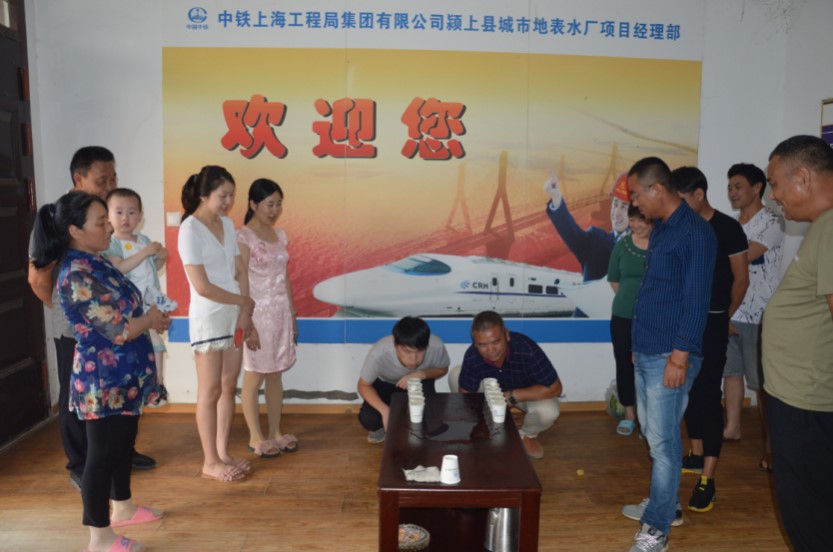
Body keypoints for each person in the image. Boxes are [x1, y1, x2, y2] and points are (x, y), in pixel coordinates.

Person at [31, 192, 168, 552]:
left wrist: (152, 316)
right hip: (102, 380)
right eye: (101, 221)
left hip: (123, 375)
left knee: (122, 445)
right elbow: (118, 330)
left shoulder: (97, 261)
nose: (109, 226)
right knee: (100, 456)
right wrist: (149, 319)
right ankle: (99, 537)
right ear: (75, 231)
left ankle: (123, 507)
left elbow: (127, 309)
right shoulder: (76, 274)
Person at [26, 147, 155, 492]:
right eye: (102, 180)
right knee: (78, 400)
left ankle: (120, 456)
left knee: (116, 398)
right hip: (79, 329)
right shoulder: (61, 219)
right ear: (78, 178)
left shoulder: (101, 220)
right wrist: (73, 314)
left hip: (110, 324)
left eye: (113, 178)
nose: (110, 185)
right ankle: (81, 465)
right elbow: (38, 279)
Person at [620, 157, 716, 552]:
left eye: (635, 194)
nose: (634, 202)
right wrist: (636, 345)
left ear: (656, 189)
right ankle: (666, 502)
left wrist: (679, 357)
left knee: (663, 444)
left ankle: (657, 529)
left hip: (670, 354)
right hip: (648, 347)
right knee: (655, 435)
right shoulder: (662, 228)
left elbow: (696, 300)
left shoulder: (695, 233)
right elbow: (652, 291)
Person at [761, 135, 833, 551]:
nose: (774, 196)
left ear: (803, 177)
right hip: (801, 398)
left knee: (809, 515)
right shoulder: (824, 227)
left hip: (808, 404)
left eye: (775, 184)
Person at [675, 167, 749, 513]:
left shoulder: (727, 228)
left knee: (707, 394)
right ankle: (696, 453)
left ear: (699, 194)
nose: (677, 206)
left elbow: (741, 280)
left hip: (714, 323)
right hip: (684, 324)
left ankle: (708, 479)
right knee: (687, 391)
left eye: (682, 199)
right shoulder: (679, 228)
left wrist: (725, 316)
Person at [178, 165, 254, 482]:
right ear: (204, 195)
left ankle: (222, 453)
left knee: (228, 386)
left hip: (234, 312)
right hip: (209, 317)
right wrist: (243, 302)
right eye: (223, 195)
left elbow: (240, 270)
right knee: (209, 390)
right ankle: (209, 462)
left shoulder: (226, 223)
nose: (228, 201)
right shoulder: (189, 229)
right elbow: (203, 287)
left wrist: (245, 310)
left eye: (232, 195)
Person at [722, 163, 783, 472]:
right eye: (729, 187)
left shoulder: (772, 222)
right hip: (733, 309)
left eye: (738, 186)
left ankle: (771, 448)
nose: (732, 192)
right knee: (731, 373)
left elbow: (744, 257)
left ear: (757, 188)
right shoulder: (733, 225)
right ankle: (731, 428)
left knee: (761, 385)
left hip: (760, 315)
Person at [237, 178, 299, 458]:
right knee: (254, 375)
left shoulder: (281, 235)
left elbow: (285, 277)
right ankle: (255, 437)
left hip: (280, 312)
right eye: (269, 204)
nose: (274, 210)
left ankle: (275, 432)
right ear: (253, 204)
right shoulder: (243, 237)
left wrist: (292, 314)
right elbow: (241, 281)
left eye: (278, 204)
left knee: (275, 374)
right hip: (257, 314)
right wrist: (247, 321)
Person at [450, 311, 562, 460]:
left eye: (496, 342)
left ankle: (526, 435)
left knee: (548, 411)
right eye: (482, 345)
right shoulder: (472, 355)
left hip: (525, 393)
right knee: (456, 374)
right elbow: (466, 394)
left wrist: (511, 397)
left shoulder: (527, 349)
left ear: (507, 335)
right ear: (475, 343)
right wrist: (486, 414)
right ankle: (489, 425)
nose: (491, 350)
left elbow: (556, 388)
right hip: (490, 393)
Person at [103, 188, 171, 407]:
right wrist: (146, 252)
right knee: (140, 345)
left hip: (151, 300)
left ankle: (157, 383)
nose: (125, 217)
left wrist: (160, 258)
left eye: (131, 212)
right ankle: (149, 386)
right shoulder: (112, 242)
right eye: (119, 212)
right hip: (131, 305)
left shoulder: (143, 239)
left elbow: (150, 269)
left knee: (157, 342)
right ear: (108, 216)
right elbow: (119, 268)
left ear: (140, 216)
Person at [358, 316, 450, 443]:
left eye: (420, 351)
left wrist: (422, 373)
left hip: (420, 381)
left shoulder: (436, 346)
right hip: (387, 384)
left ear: (427, 345)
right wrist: (385, 411)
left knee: (432, 421)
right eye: (407, 352)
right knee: (369, 419)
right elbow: (363, 385)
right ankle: (382, 425)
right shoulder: (379, 353)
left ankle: (416, 423)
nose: (414, 359)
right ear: (395, 344)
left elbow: (443, 369)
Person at [607, 204, 653, 437]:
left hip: (653, 319)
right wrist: (630, 302)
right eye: (633, 220)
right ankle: (629, 415)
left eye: (641, 220)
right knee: (624, 365)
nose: (636, 225)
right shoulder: (622, 246)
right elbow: (614, 279)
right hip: (623, 316)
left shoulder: (662, 245)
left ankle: (650, 418)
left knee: (650, 367)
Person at [544, 171, 630, 283]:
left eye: (624, 207)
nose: (616, 212)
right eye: (615, 204)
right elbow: (571, 232)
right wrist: (556, 197)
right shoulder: (594, 241)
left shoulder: (646, 251)